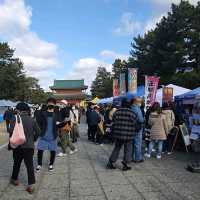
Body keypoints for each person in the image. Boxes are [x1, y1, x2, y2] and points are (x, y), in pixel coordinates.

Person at [9, 102, 40, 194]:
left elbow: (10, 132)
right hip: (29, 146)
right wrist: (33, 139)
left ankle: (14, 179)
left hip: (17, 146)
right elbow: (38, 132)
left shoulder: (14, 119)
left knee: (16, 163)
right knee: (29, 165)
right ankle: (31, 185)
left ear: (18, 110)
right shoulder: (32, 120)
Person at [107, 98, 138, 171]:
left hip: (118, 134)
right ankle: (126, 164)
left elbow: (113, 121)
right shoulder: (132, 113)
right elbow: (135, 124)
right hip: (129, 135)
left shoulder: (117, 112)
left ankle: (111, 162)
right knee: (128, 149)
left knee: (117, 148)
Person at [36, 98, 60, 172]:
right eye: (49, 103)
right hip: (43, 135)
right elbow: (38, 122)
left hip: (53, 135)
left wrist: (59, 124)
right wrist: (40, 132)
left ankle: (51, 164)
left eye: (52, 103)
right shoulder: (42, 113)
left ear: (55, 105)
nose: (51, 105)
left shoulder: (57, 114)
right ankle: (39, 164)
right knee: (40, 150)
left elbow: (61, 121)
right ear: (47, 104)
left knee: (53, 151)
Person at [130, 97, 145, 163]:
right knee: (137, 144)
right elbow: (141, 119)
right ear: (136, 102)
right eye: (140, 102)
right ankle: (137, 158)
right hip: (137, 128)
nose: (141, 103)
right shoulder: (137, 108)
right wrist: (144, 119)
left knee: (132, 144)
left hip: (131, 128)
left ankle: (130, 157)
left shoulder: (130, 107)